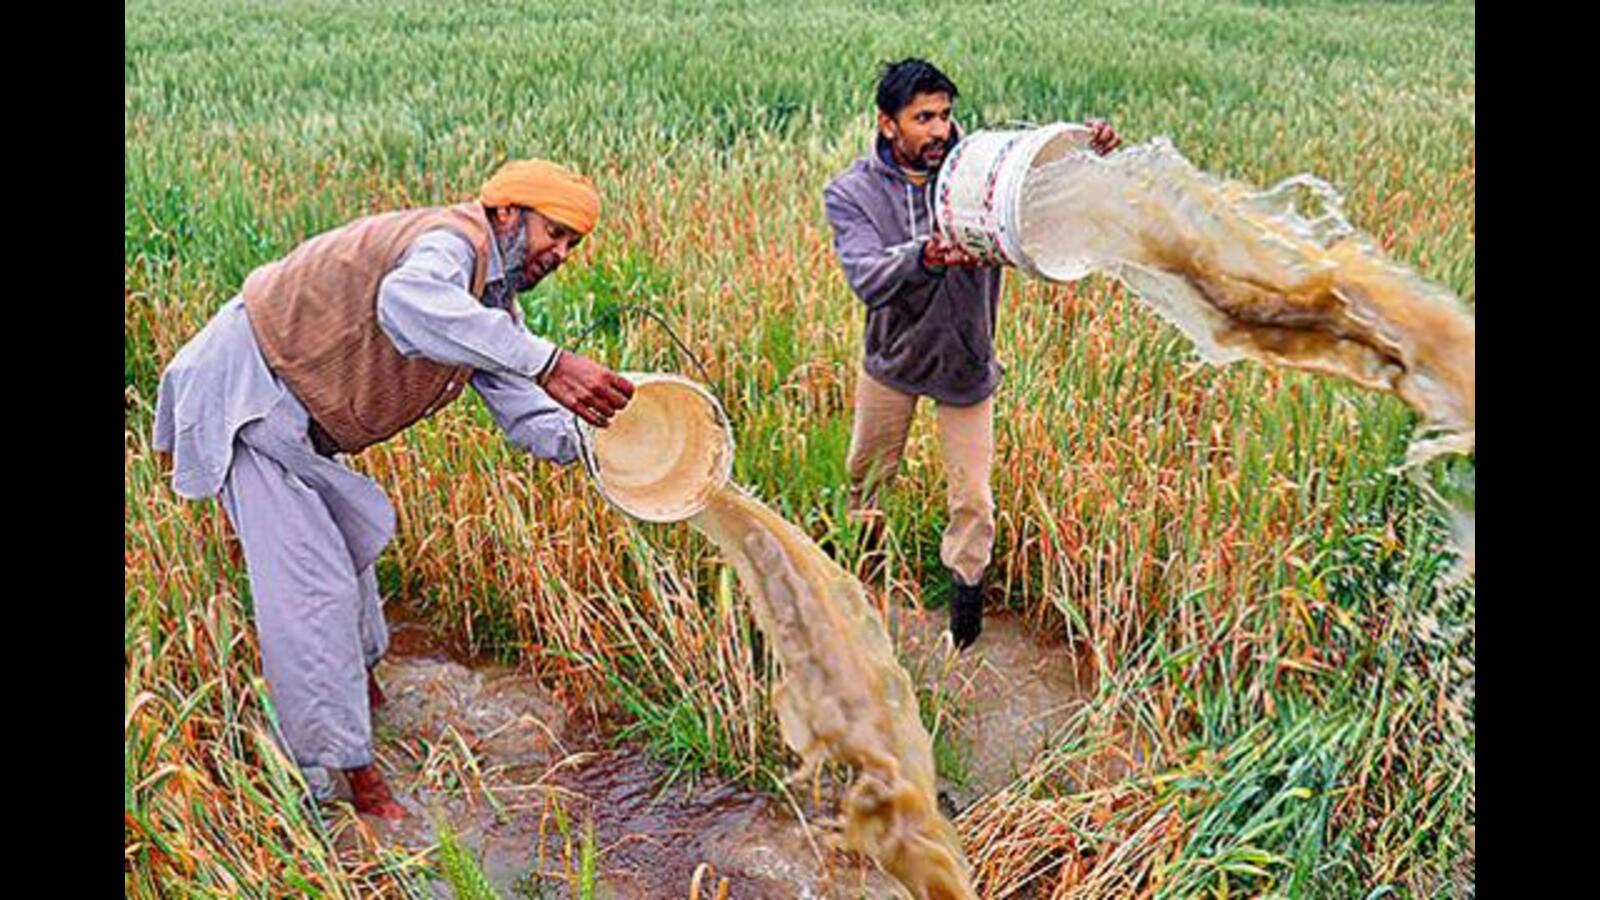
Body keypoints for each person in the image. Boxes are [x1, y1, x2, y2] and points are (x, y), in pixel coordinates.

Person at [153, 159, 635, 819]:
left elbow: (530, 414)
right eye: (556, 232)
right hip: (249, 394)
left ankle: (368, 699)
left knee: (351, 552)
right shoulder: (448, 244)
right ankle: (349, 784)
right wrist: (549, 362)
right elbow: (408, 304)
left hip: (299, 418)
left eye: (574, 243)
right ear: (506, 213)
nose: (562, 253)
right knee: (313, 588)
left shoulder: (491, 305)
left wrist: (623, 447)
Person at [822, 59, 1120, 649]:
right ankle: (858, 596)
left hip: (966, 359)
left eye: (946, 114)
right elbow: (867, 279)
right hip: (893, 360)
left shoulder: (985, 173)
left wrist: (1091, 159)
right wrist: (926, 256)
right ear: (888, 125)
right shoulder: (851, 193)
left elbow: (1052, 201)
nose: (939, 130)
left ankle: (964, 627)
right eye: (923, 118)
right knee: (865, 482)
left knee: (973, 502)